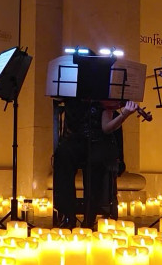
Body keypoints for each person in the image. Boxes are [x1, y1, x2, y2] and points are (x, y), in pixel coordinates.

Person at [53, 98, 139, 229]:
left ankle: (90, 216)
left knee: (96, 160)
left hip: (99, 139)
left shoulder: (105, 95)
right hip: (76, 138)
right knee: (62, 155)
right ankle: (67, 214)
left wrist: (124, 114)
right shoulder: (73, 93)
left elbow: (106, 128)